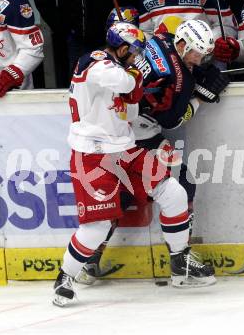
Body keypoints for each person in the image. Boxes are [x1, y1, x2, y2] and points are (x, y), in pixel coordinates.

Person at [53, 21, 216, 307]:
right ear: (123, 48)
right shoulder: (95, 60)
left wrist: (146, 94)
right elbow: (125, 81)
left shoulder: (122, 70)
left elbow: (129, 111)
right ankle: (65, 277)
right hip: (92, 154)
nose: (140, 58)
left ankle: (181, 264)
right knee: (97, 227)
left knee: (174, 193)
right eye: (135, 52)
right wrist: (135, 79)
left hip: (126, 149)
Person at [138, 0, 240, 65]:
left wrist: (203, 44)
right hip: (164, 65)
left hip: (203, 64)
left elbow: (227, 26)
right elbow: (146, 31)